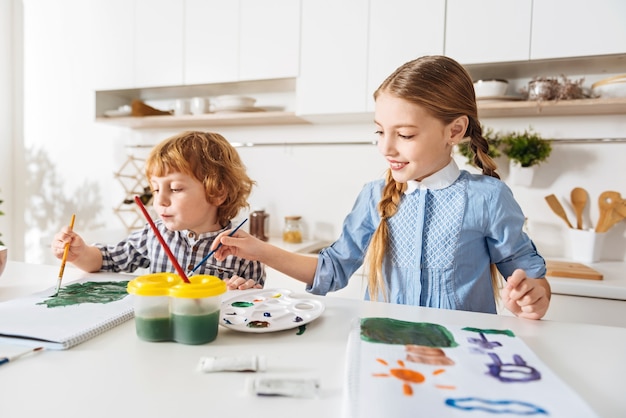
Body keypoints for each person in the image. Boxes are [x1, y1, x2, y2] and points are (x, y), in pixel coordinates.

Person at [211, 55, 551, 319]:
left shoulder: (487, 198)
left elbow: (531, 279)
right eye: (379, 131)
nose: (386, 148)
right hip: (385, 355)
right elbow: (332, 270)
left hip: (461, 360)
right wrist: (259, 249)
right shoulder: (375, 195)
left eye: (404, 135)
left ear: (455, 131)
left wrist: (533, 297)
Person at [51, 131, 265, 290]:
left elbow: (257, 307)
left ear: (217, 192)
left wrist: (239, 293)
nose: (159, 200)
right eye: (155, 189)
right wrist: (80, 254)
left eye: (175, 189)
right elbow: (106, 260)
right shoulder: (154, 234)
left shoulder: (246, 252)